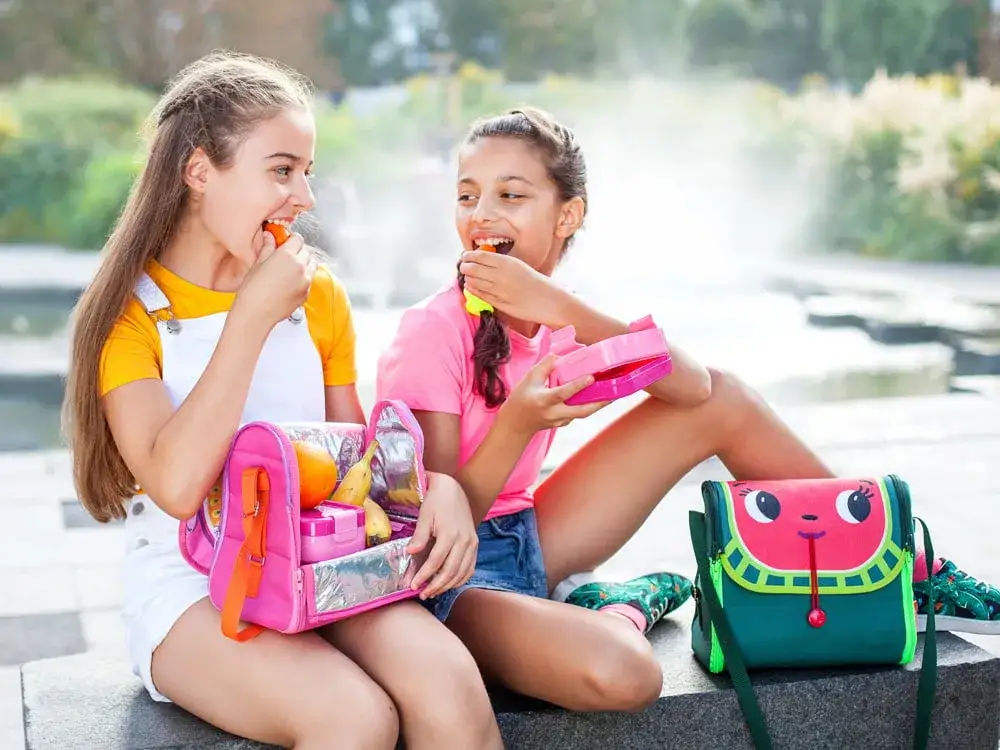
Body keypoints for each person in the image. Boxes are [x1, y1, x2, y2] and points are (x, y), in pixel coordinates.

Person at [375, 106, 1000, 712]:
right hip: (451, 579)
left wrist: (562, 310)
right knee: (624, 673)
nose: (480, 215)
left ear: (569, 215)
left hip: (533, 535)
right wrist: (518, 425)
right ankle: (614, 605)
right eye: (466, 196)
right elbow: (436, 533)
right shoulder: (432, 331)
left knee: (726, 396)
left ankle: (890, 562)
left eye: (509, 196)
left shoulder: (559, 316)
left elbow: (697, 390)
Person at [61, 52, 502, 750]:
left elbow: (358, 469)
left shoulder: (316, 293)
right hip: (190, 582)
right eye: (282, 170)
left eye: (307, 172)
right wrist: (250, 321)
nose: (305, 198)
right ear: (200, 171)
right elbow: (176, 486)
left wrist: (434, 486)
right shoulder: (132, 317)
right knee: (354, 719)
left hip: (317, 554)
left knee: (447, 681)